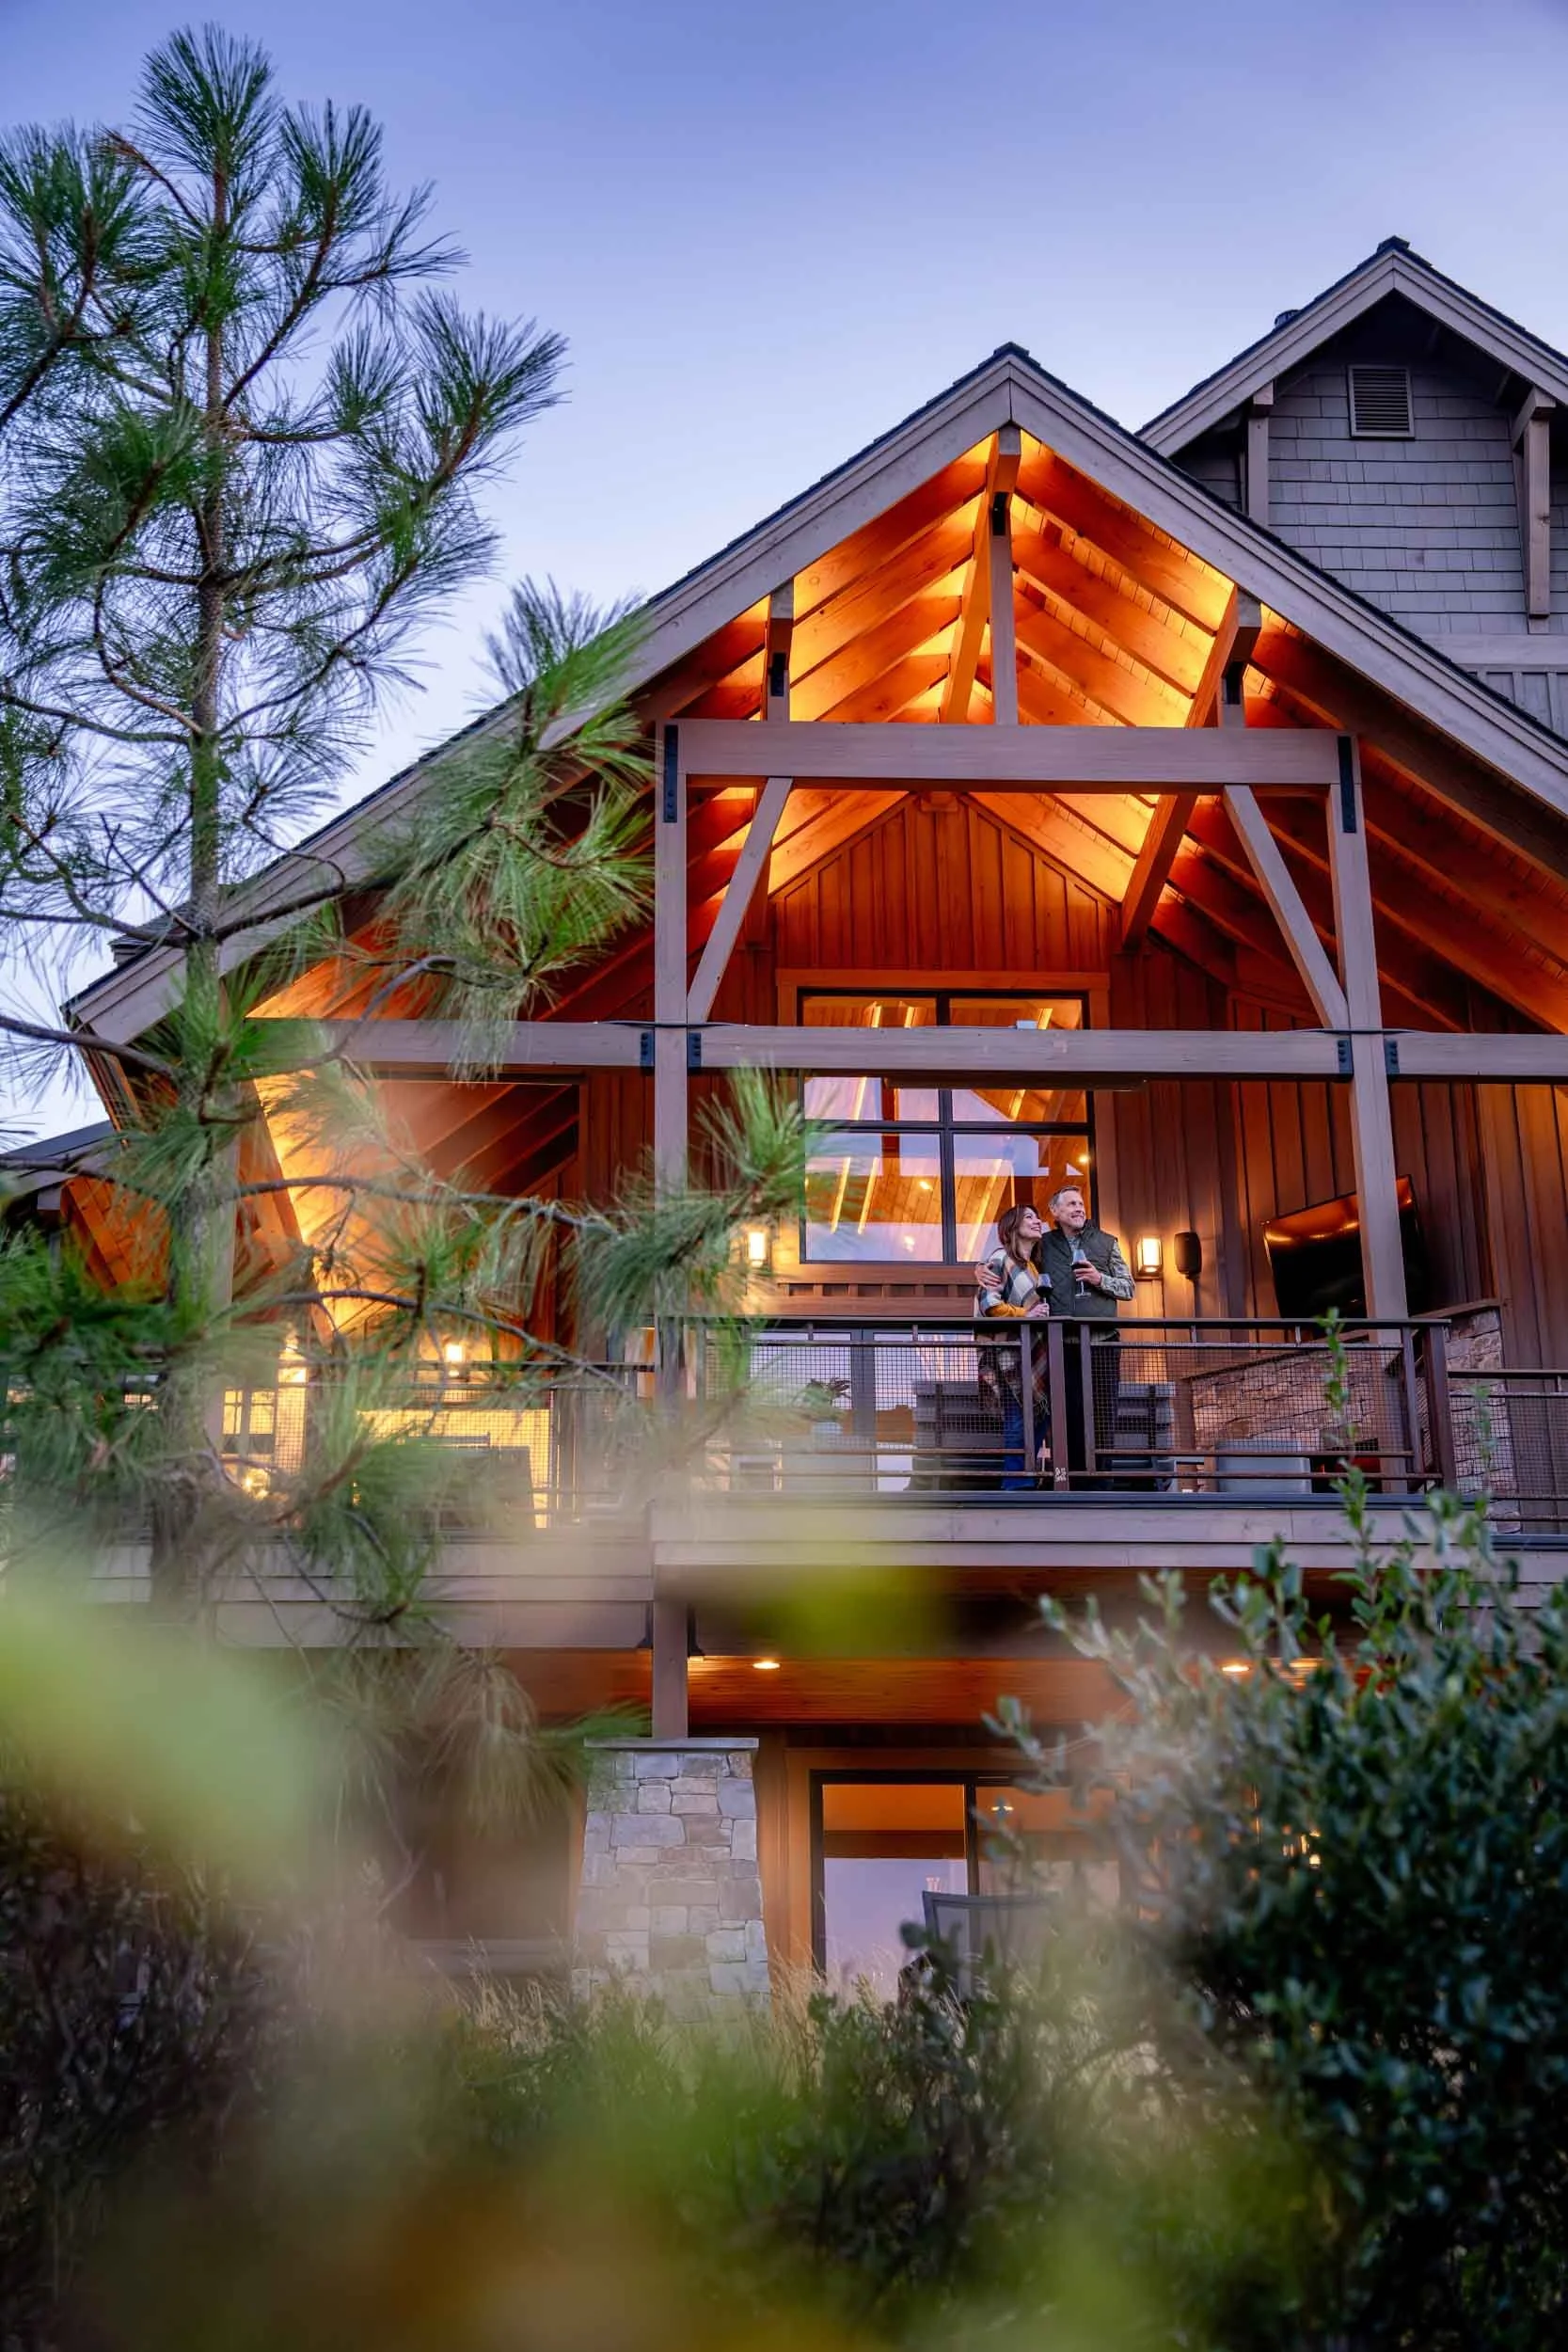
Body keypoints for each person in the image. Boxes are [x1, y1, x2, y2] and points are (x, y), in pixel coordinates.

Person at [1038, 1185, 1133, 1482]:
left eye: (1081, 1203)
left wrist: (1098, 1278)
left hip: (1101, 1343)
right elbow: (1011, 1250)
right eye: (1071, 1204)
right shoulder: (1044, 1244)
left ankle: (1102, 1480)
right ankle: (1068, 1478)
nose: (1079, 1208)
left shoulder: (1107, 1243)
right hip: (1061, 1345)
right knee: (1067, 1415)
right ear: (1055, 1212)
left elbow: (1128, 1288)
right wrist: (981, 1267)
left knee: (1103, 1414)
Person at [974, 1203, 1053, 1490]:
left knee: (1040, 1415)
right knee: (1018, 1419)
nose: (1037, 1220)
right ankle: (1015, 1484)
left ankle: (1028, 1478)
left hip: (1033, 1354)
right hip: (1007, 1355)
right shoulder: (1000, 1258)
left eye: (1037, 1216)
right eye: (1029, 1217)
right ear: (1012, 1226)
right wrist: (1025, 1315)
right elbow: (989, 1304)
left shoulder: (1033, 1266)